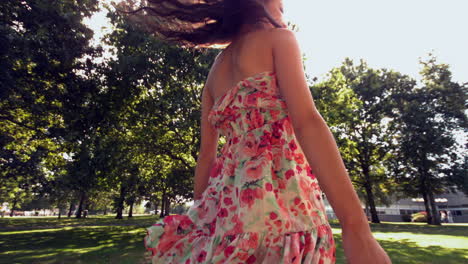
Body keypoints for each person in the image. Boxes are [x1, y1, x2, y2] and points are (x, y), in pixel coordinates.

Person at [116, 0, 391, 263]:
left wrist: (200, 223)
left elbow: (206, 158)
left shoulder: (214, 74)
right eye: (281, 7)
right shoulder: (280, 40)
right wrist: (358, 231)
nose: (283, 15)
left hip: (229, 212)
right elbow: (307, 122)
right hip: (283, 208)